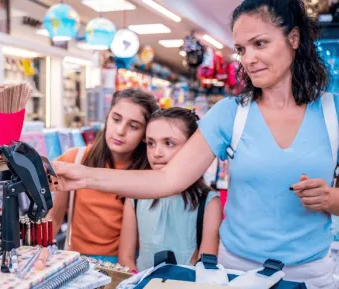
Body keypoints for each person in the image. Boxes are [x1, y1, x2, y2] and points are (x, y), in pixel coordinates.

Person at [51, 0, 338, 287]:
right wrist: (85, 176)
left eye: (260, 44)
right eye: (241, 49)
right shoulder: (230, 113)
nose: (248, 59)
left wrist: (332, 199)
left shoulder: (332, 112)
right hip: (237, 272)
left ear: (294, 38)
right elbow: (167, 179)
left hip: (311, 274)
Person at [46, 88, 158, 264]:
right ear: (107, 118)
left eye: (133, 126)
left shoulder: (148, 175)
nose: (120, 130)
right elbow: (55, 215)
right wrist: (37, 255)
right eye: (116, 119)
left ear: (145, 135)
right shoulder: (75, 159)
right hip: (77, 262)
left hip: (127, 266)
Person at [118, 108, 222, 272]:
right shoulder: (136, 196)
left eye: (169, 143)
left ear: (193, 147)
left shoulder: (209, 201)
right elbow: (126, 258)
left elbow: (206, 266)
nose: (156, 153)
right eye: (151, 143)